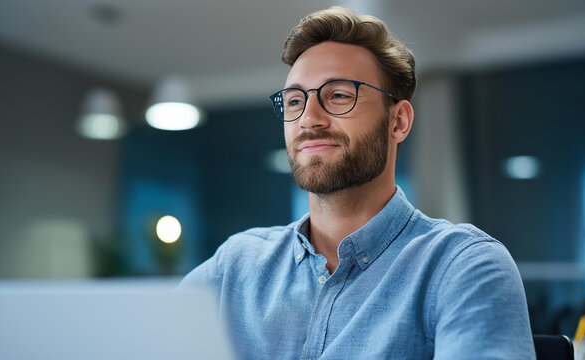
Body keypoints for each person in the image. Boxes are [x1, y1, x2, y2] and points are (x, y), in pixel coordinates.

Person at [180, 6, 534, 359]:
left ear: (398, 122)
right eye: (294, 101)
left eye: (338, 96)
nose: (308, 119)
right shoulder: (236, 266)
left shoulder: (461, 266)